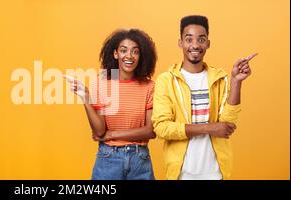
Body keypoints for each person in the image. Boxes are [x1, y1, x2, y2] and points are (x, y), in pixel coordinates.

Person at [152, 15, 256, 180]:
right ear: (180, 43)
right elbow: (162, 128)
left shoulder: (219, 78)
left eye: (201, 39)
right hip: (181, 173)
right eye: (189, 39)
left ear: (208, 43)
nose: (195, 45)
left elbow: (228, 123)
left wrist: (236, 82)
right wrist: (209, 128)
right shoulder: (166, 80)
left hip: (216, 172)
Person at [67, 28, 157, 180]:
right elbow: (100, 131)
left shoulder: (150, 86)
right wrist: (86, 98)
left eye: (135, 51)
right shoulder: (101, 83)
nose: (129, 56)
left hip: (139, 160)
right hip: (108, 158)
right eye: (123, 50)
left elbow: (150, 131)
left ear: (141, 56)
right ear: (115, 54)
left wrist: (113, 134)